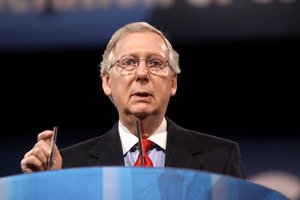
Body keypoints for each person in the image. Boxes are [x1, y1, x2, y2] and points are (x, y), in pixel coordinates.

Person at [20, 21, 245, 179]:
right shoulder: (67, 167)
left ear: (173, 83)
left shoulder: (221, 158)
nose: (142, 74)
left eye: (155, 63)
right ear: (107, 82)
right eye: (128, 63)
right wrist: (45, 186)